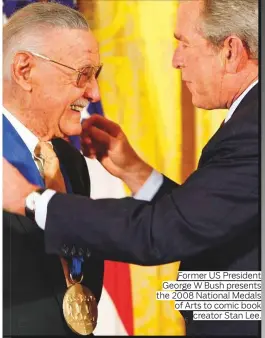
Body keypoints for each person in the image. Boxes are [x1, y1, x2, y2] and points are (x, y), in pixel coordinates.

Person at [3, 0, 259, 336]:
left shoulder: (252, 130)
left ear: (230, 51)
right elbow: (199, 223)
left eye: (183, 43)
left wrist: (31, 200)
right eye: (83, 74)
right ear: (24, 71)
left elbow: (168, 232)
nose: (175, 60)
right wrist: (135, 172)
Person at [3, 2, 104, 336]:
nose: (94, 92)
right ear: (24, 71)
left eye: (96, 75)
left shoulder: (71, 163)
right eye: (82, 74)